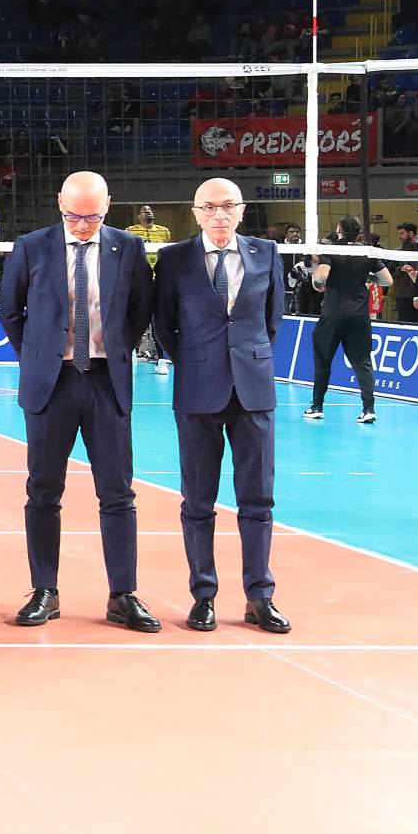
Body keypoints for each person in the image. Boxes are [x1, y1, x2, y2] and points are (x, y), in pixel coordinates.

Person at [0, 172, 160, 632]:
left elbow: (140, 309)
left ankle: (123, 594)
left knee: (118, 493)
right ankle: (44, 590)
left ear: (108, 206)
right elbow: (9, 309)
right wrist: (40, 354)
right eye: (74, 216)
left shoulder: (129, 248)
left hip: (107, 381)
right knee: (43, 491)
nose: (83, 226)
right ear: (59, 205)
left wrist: (115, 349)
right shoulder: (31, 246)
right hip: (52, 384)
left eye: (92, 217)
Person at [152, 177, 289, 634]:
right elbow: (164, 326)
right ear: (195, 213)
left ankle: (260, 596)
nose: (219, 215)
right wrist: (199, 362)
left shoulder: (266, 253)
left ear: (242, 210)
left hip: (253, 391)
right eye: (209, 207)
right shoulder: (173, 259)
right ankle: (203, 595)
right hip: (197, 392)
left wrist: (246, 359)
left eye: (228, 206)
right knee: (197, 500)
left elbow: (271, 321)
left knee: (258, 499)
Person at [305, 215, 390, 424]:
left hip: (333, 315)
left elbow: (321, 277)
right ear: (359, 232)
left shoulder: (332, 250)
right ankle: (368, 409)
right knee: (362, 363)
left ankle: (317, 406)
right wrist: (367, 277)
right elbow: (387, 280)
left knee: (323, 361)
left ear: (339, 230)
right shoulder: (366, 251)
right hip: (359, 316)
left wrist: (316, 275)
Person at [124, 203, 172, 375]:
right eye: (144, 210)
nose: (148, 212)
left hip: (158, 279)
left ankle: (161, 360)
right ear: (139, 216)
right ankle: (129, 354)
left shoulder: (164, 231)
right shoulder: (130, 231)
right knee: (133, 318)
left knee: (158, 321)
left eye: (150, 210)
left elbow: (168, 253)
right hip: (138, 280)